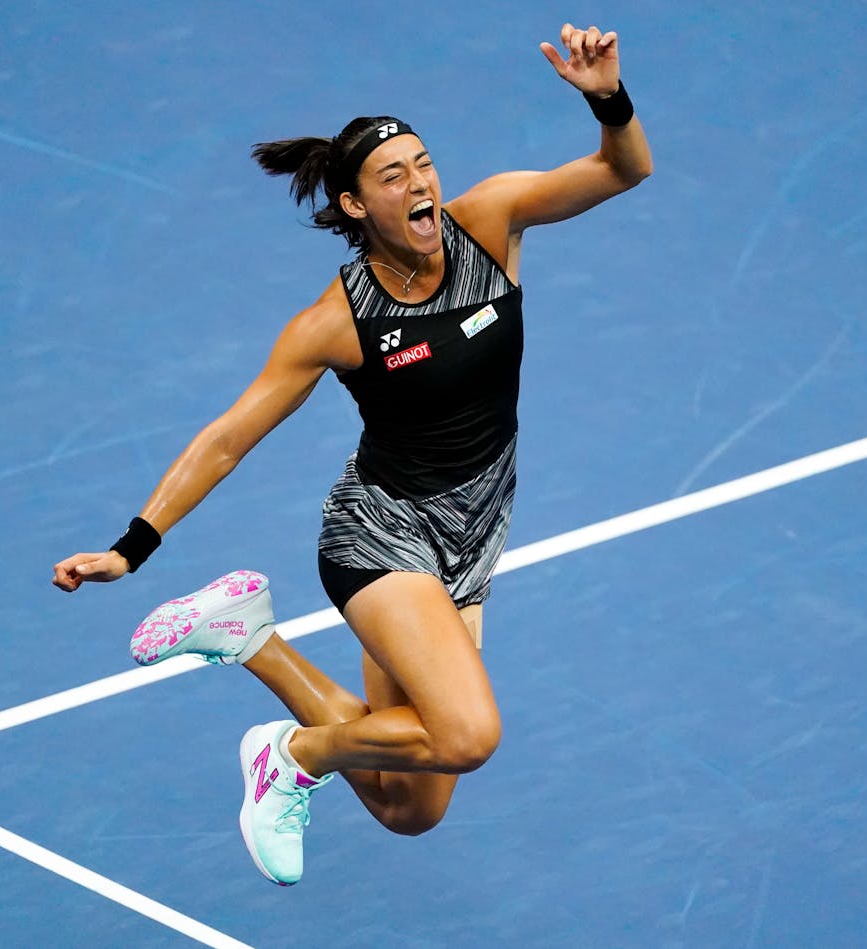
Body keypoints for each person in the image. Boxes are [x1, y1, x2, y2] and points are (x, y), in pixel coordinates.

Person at [52, 22, 652, 886]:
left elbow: (624, 169)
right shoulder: (337, 322)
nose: (421, 184)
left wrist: (607, 98)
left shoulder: (489, 222)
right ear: (354, 207)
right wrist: (130, 546)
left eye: (424, 163)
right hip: (379, 536)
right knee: (468, 735)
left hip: (470, 540)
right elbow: (229, 436)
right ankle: (294, 753)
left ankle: (248, 636)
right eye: (392, 176)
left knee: (411, 805)